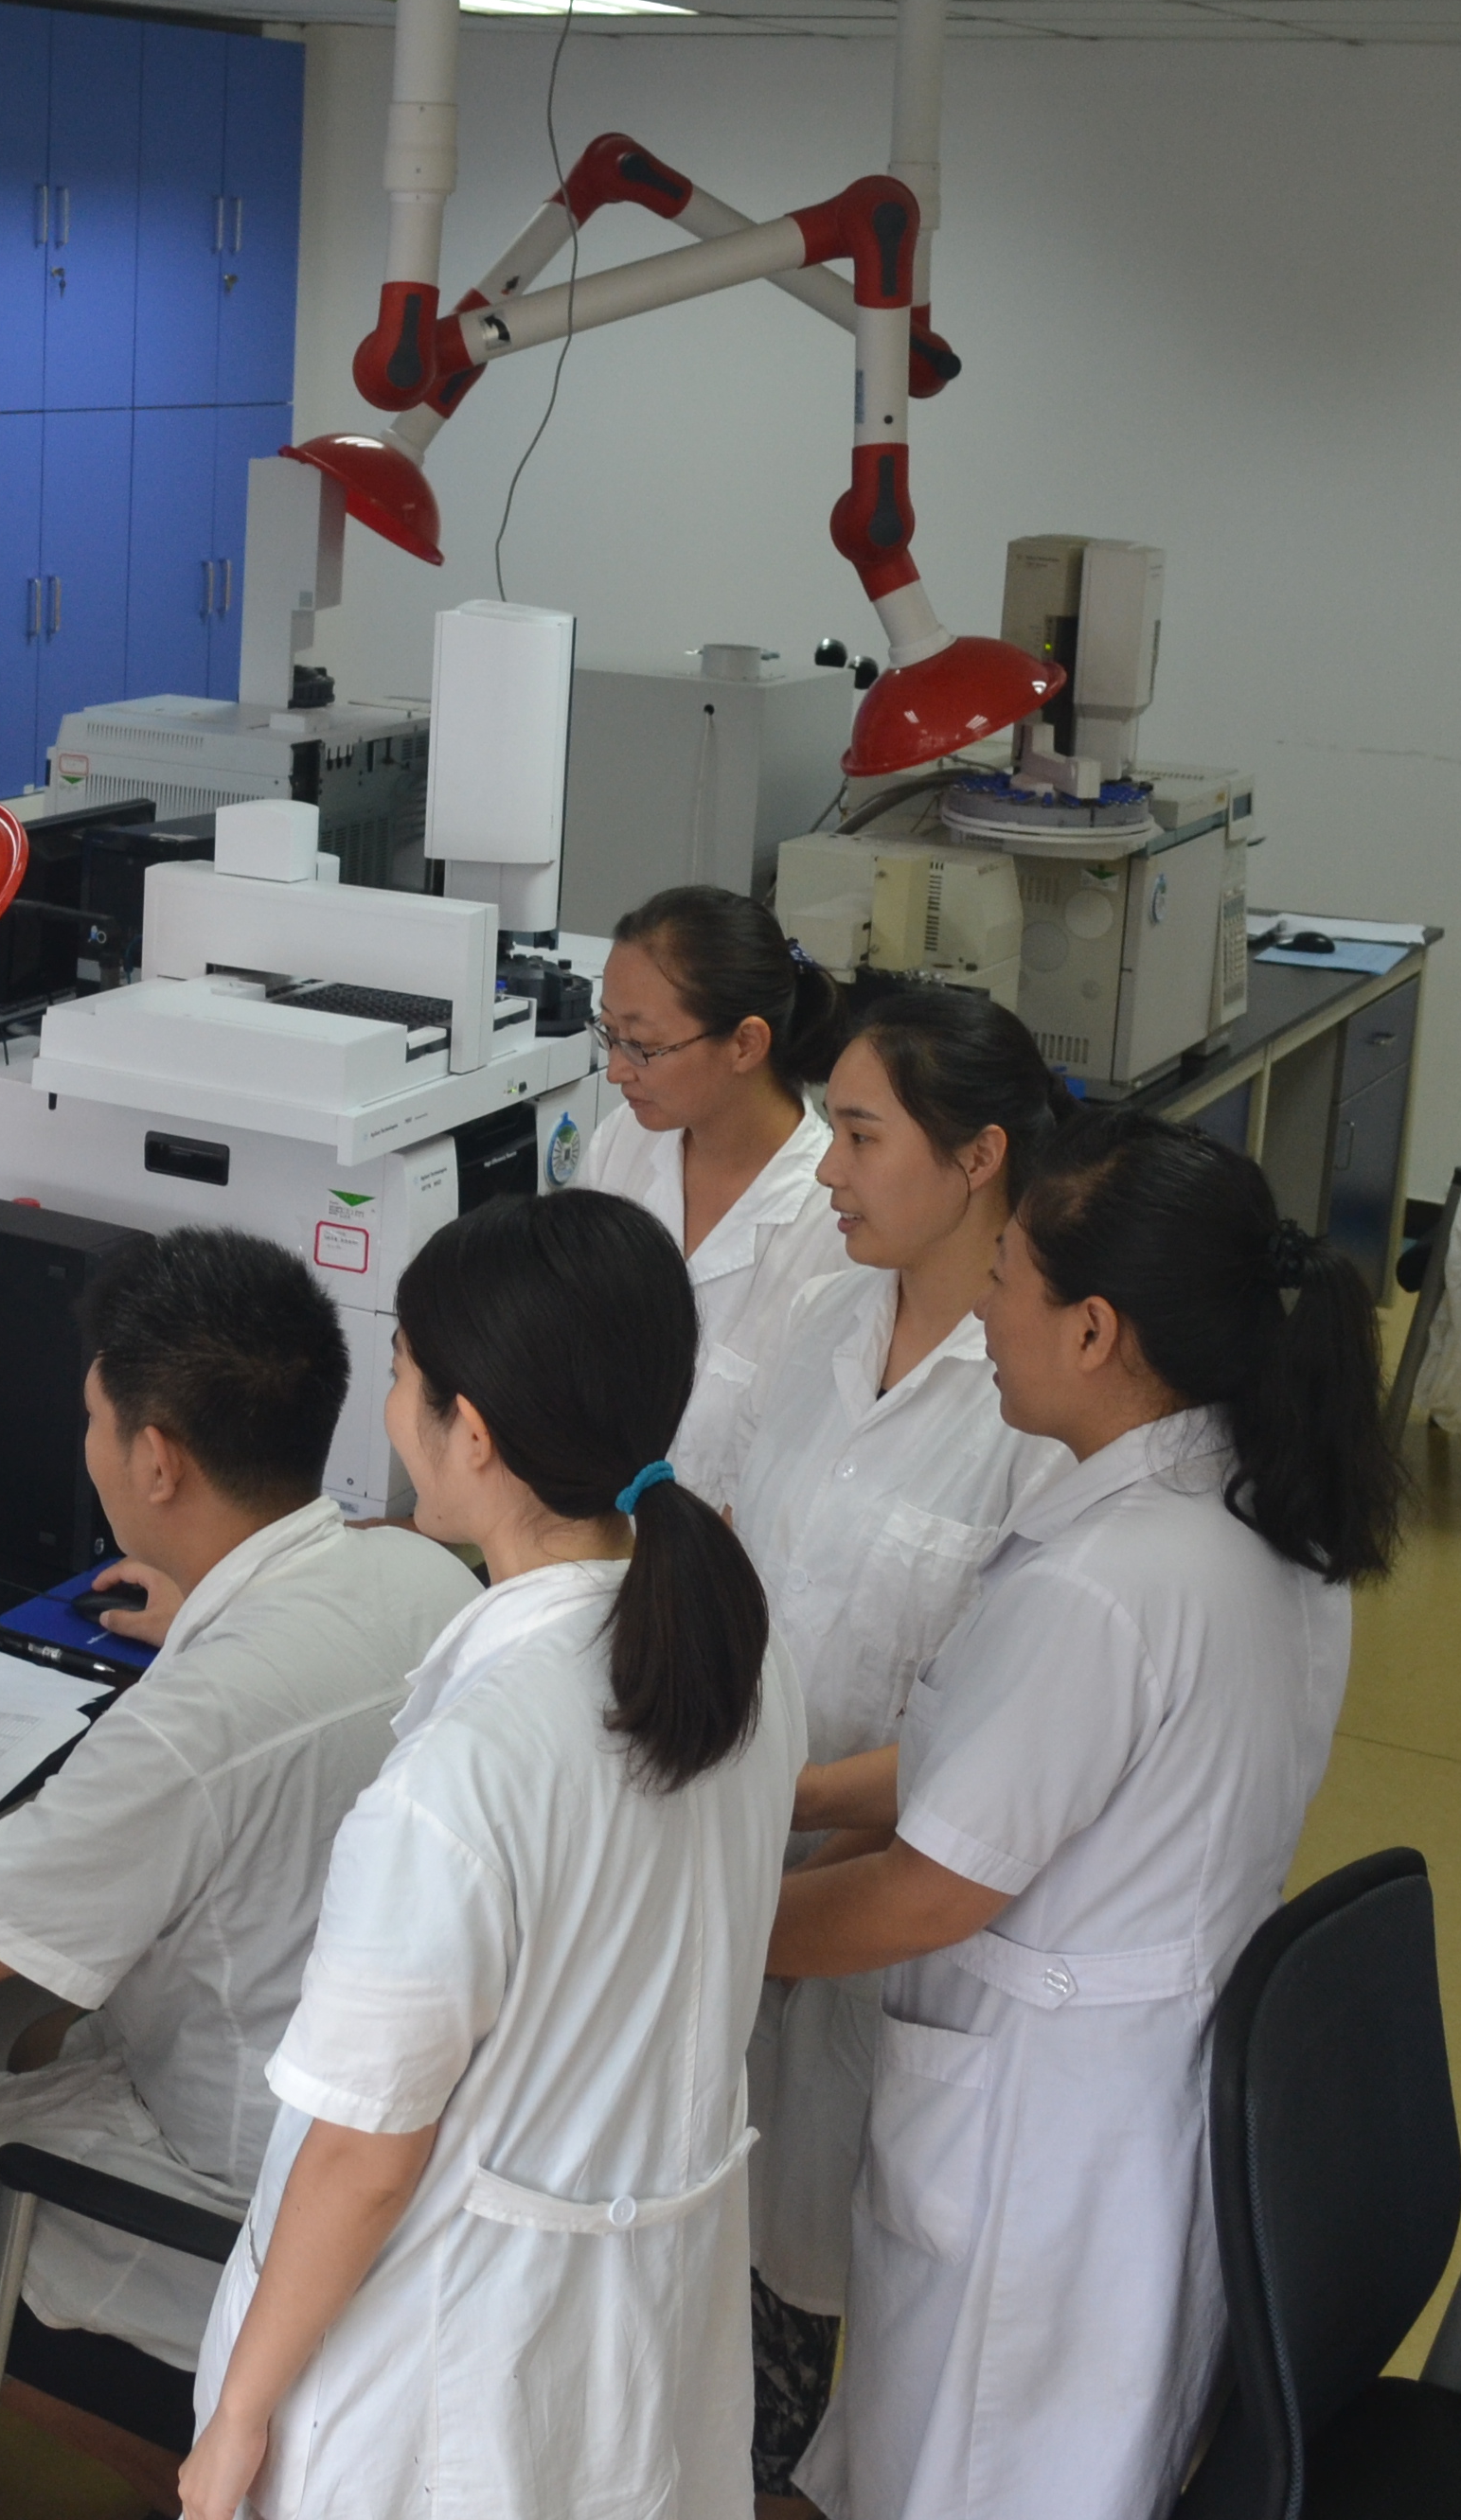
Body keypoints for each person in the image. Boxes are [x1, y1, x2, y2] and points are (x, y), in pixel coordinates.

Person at [0, 1229, 478, 2496]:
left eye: (94, 1419)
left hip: (237, 2185)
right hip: (379, 2137)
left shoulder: (198, 1727)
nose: (89, 1445)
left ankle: (212, 2461)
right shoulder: (420, 1574)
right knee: (44, 2042)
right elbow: (297, 1690)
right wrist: (206, 1614)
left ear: (155, 1458)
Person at [769, 1110, 1402, 2520]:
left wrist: (707, 1925)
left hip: (1043, 2143)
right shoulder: (1251, 1507)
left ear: (1097, 1330)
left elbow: (930, 1890)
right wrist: (789, 1802)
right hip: (1138, 2100)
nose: (985, 1315)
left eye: (1005, 1280)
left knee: (974, 2473)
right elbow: (996, 1764)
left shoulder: (1105, 1583)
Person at [181, 1193, 809, 2520]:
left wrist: (237, 2416)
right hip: (626, 2345)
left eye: (401, 1374)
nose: (390, 1411)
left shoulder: (460, 1779)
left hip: (443, 2378)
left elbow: (364, 2159)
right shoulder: (734, 1657)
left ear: (468, 1431)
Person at [719, 991, 1074, 2509]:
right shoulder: (828, 1318)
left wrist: (778, 1833)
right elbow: (738, 1558)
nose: (827, 1170)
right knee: (725, 2271)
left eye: (862, 1137)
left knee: (838, 2303)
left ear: (980, 1155)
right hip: (754, 1859)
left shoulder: (1040, 1400)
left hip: (879, 1919)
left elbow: (995, 1737)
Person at [579, 884, 846, 1495]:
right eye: (609, 1032)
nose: (617, 1069)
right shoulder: (624, 1143)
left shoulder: (831, 1224)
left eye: (643, 1045)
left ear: (746, 1044)